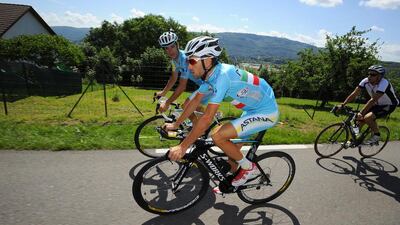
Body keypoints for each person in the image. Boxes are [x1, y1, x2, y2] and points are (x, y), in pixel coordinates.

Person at [165, 36, 279, 191]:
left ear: (208, 60)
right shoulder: (211, 76)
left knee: (218, 136)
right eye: (188, 61)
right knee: (232, 151)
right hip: (252, 109)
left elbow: (206, 118)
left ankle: (249, 169)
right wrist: (176, 124)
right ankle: (231, 183)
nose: (189, 66)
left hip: (267, 112)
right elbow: (193, 103)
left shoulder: (222, 77)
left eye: (192, 61)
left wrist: (183, 147)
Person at [156, 30, 207, 124]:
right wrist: (164, 92)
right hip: (203, 85)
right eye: (166, 48)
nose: (170, 50)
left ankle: (198, 131)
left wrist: (167, 103)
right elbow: (173, 78)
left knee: (186, 105)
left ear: (177, 45)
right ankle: (206, 126)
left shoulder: (184, 59)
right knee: (197, 109)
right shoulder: (174, 60)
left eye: (172, 46)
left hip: (208, 84)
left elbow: (182, 86)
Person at [338, 65, 398, 144]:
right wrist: (343, 104)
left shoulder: (384, 83)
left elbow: (373, 99)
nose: (370, 76)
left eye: (373, 75)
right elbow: (355, 93)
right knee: (359, 121)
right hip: (376, 104)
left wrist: (361, 112)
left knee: (367, 117)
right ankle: (353, 140)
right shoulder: (365, 81)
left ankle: (377, 135)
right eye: (369, 74)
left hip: (389, 105)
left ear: (379, 76)